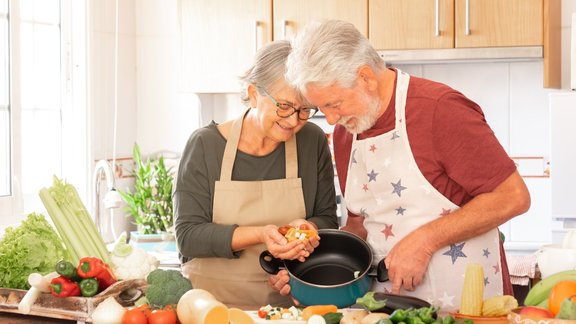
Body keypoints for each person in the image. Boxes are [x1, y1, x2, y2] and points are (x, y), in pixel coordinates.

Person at [269, 20, 531, 312]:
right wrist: (310, 278)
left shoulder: (440, 109)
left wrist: (424, 240)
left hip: (465, 308)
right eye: (322, 108)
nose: (330, 120)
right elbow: (359, 226)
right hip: (385, 311)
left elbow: (514, 197)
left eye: (335, 104)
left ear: (365, 77)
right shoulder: (346, 133)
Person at [173, 39, 338, 309]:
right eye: (284, 106)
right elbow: (189, 236)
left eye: (305, 109)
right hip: (212, 309)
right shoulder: (205, 145)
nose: (294, 121)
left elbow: (328, 220)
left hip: (286, 309)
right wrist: (263, 234)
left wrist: (307, 231)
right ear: (253, 93)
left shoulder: (312, 140)